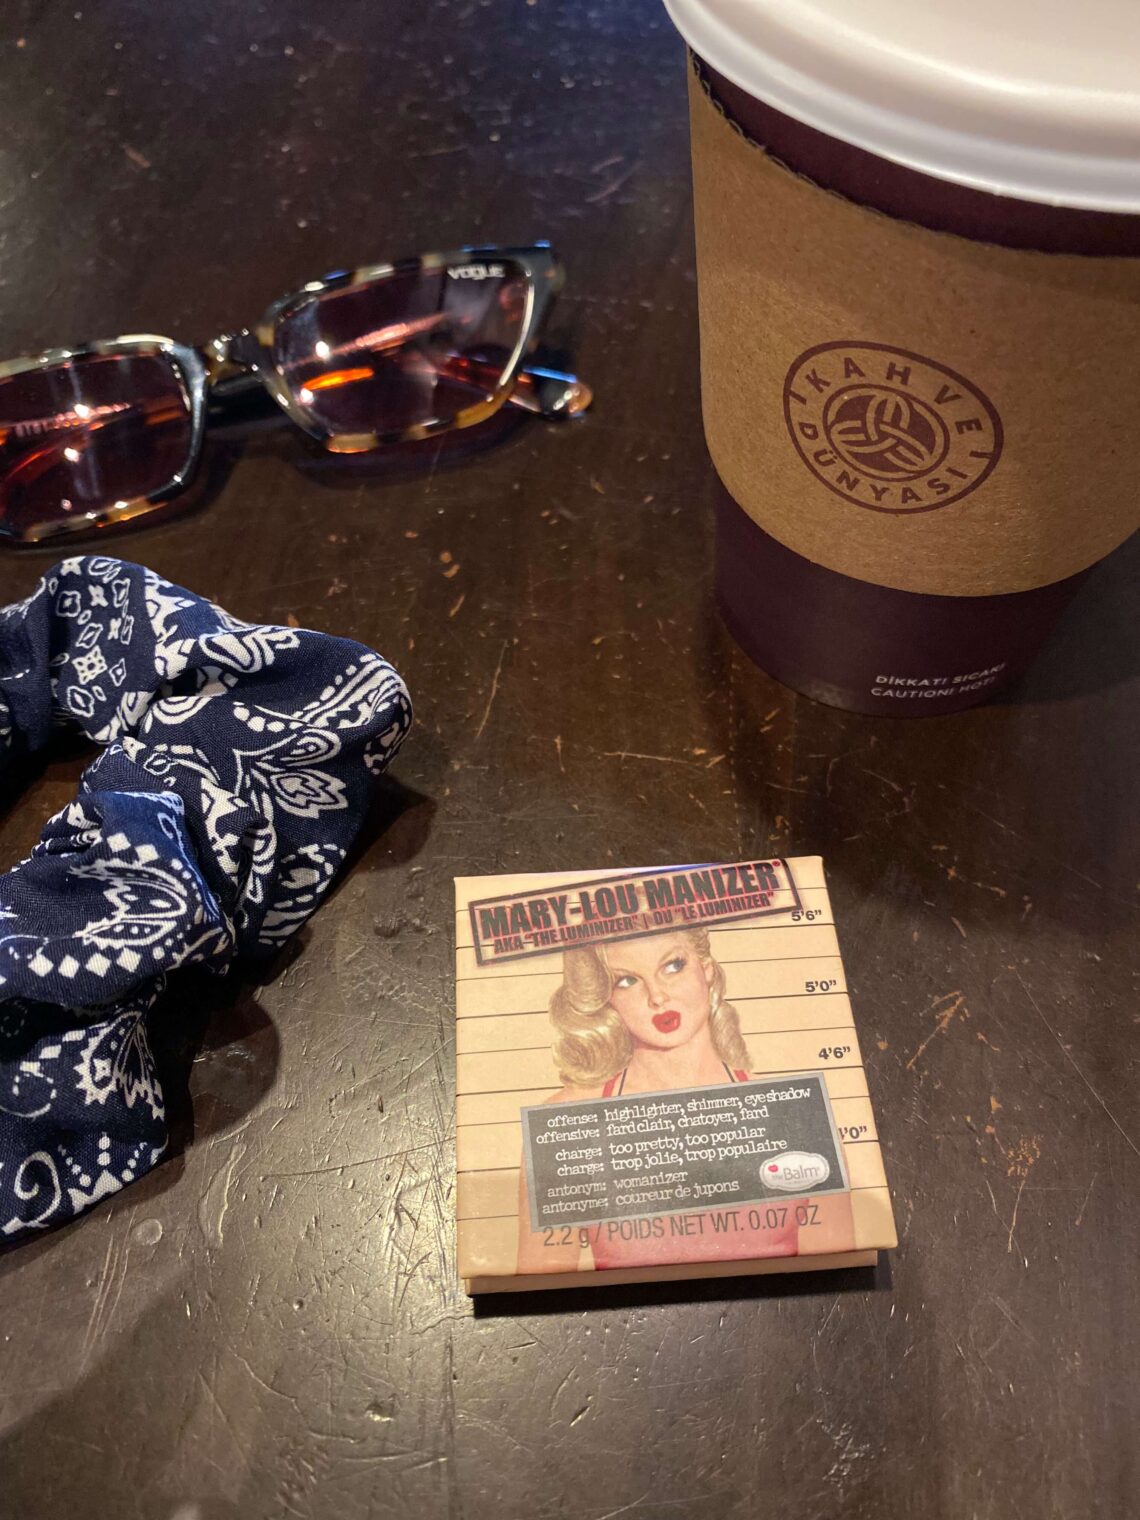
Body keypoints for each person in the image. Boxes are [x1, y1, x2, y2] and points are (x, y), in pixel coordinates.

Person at [516, 926, 800, 1275]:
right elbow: (542, 1286)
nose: (657, 996)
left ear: (706, 968)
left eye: (673, 966)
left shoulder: (791, 1112)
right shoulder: (564, 1123)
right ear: (603, 998)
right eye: (627, 981)